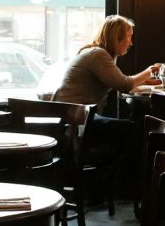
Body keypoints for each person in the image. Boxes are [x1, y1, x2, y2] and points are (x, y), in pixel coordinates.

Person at [53, 15, 159, 199]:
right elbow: (125, 84)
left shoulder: (96, 53)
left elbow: (122, 82)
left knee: (129, 132)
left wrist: (148, 82)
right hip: (76, 120)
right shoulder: (98, 55)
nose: (131, 43)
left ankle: (111, 184)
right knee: (131, 131)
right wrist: (150, 71)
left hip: (74, 116)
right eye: (129, 36)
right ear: (116, 37)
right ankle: (129, 188)